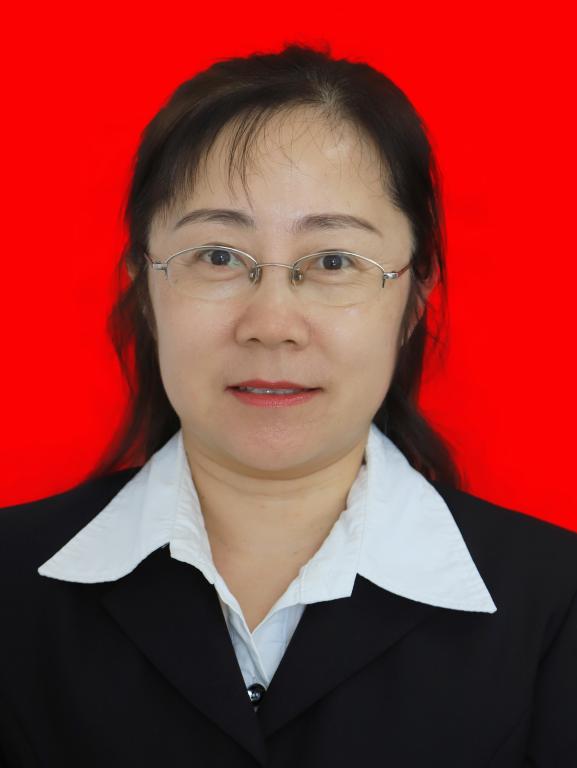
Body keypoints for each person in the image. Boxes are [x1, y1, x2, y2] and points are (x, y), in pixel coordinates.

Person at [1, 43, 576, 768]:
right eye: (217, 256)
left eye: (333, 261)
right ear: (144, 289)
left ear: (414, 299)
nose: (271, 323)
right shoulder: (10, 587)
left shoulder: (557, 605)